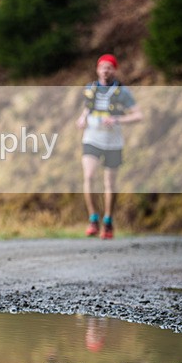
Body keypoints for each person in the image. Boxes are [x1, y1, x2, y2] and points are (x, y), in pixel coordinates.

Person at [75, 54, 143, 239]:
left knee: (109, 183)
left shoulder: (122, 92)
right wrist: (82, 118)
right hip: (91, 139)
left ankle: (108, 221)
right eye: (102, 67)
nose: (106, 70)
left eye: (109, 67)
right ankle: (93, 218)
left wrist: (117, 119)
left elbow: (138, 115)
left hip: (113, 142)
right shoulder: (90, 88)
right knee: (88, 176)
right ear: (97, 69)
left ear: (115, 70)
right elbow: (88, 108)